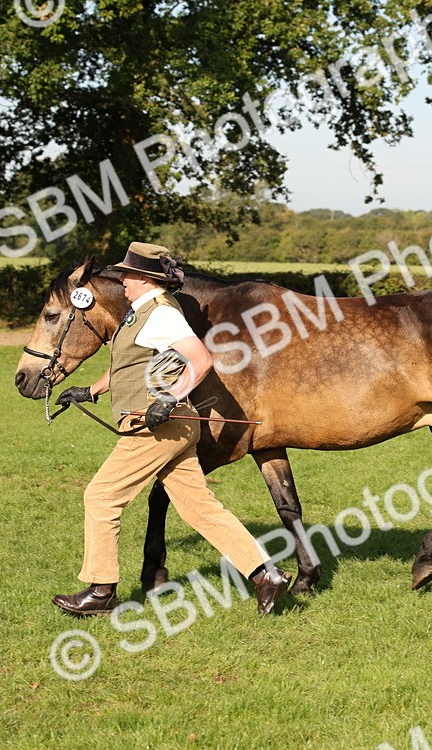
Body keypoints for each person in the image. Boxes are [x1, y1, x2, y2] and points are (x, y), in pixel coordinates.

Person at [51, 242, 291, 616]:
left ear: (146, 279)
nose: (123, 281)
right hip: (171, 426)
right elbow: (132, 363)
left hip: (157, 425)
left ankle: (101, 591)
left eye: (128, 275)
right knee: (201, 510)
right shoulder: (141, 313)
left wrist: (169, 398)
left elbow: (200, 358)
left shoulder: (162, 313)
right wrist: (91, 390)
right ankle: (266, 576)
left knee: (101, 497)